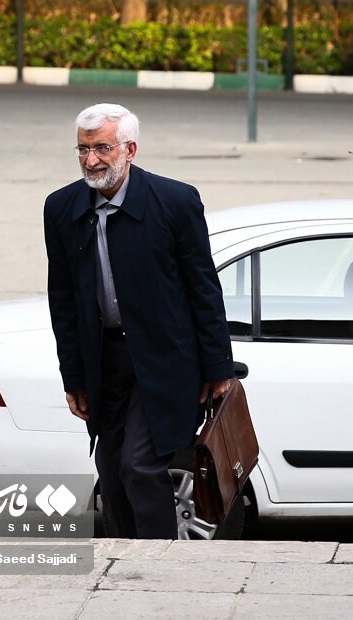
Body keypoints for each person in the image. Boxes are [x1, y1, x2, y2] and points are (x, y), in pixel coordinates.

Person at [43, 103, 234, 539]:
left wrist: (217, 366)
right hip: (102, 360)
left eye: (102, 148)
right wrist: (72, 376)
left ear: (129, 149)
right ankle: (121, 562)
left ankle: (159, 561)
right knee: (110, 471)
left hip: (163, 360)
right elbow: (64, 301)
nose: (91, 160)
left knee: (139, 463)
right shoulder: (61, 208)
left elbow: (203, 286)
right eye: (83, 149)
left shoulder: (175, 201)